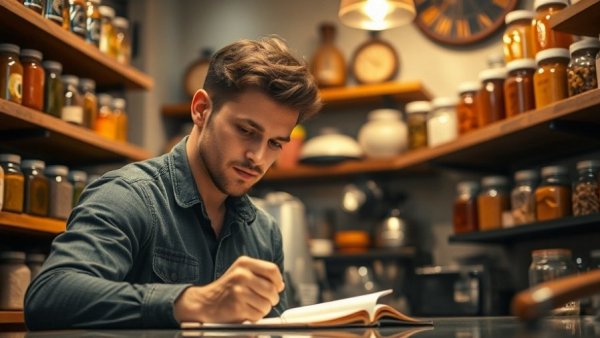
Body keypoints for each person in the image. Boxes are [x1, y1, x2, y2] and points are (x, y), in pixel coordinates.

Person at [24, 37, 322, 330]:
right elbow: (49, 295)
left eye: (274, 143)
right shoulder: (128, 195)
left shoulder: (265, 233)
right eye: (246, 130)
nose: (257, 157)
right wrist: (194, 302)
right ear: (202, 109)